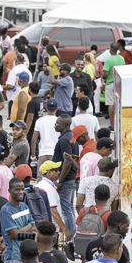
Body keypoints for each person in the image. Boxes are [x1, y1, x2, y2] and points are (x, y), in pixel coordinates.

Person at [53, 114, 79, 246]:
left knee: (66, 209)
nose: (55, 125)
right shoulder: (70, 136)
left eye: (57, 123)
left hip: (66, 179)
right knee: (69, 208)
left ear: (63, 125)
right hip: (70, 179)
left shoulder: (65, 140)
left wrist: (59, 181)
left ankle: (71, 239)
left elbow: (67, 162)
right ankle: (73, 237)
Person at [37, 161, 70, 239]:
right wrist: (65, 230)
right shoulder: (49, 189)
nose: (58, 172)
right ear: (49, 173)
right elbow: (53, 211)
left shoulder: (39, 185)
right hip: (52, 228)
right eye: (56, 170)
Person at [31, 98, 59, 171]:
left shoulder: (39, 121)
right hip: (55, 154)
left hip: (43, 154)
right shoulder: (59, 121)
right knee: (54, 176)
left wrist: (33, 156)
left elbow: (34, 140)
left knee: (41, 176)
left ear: (46, 108)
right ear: (57, 108)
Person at [102, 43, 125, 129]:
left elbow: (105, 74)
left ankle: (112, 125)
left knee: (110, 104)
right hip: (119, 83)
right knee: (119, 103)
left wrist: (104, 77)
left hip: (110, 83)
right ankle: (120, 123)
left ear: (110, 50)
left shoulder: (108, 60)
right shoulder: (121, 58)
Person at [24, 82, 42, 147]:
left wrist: (25, 133)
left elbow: (30, 119)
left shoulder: (32, 102)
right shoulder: (40, 101)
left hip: (31, 130)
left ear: (30, 90)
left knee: (31, 149)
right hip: (38, 129)